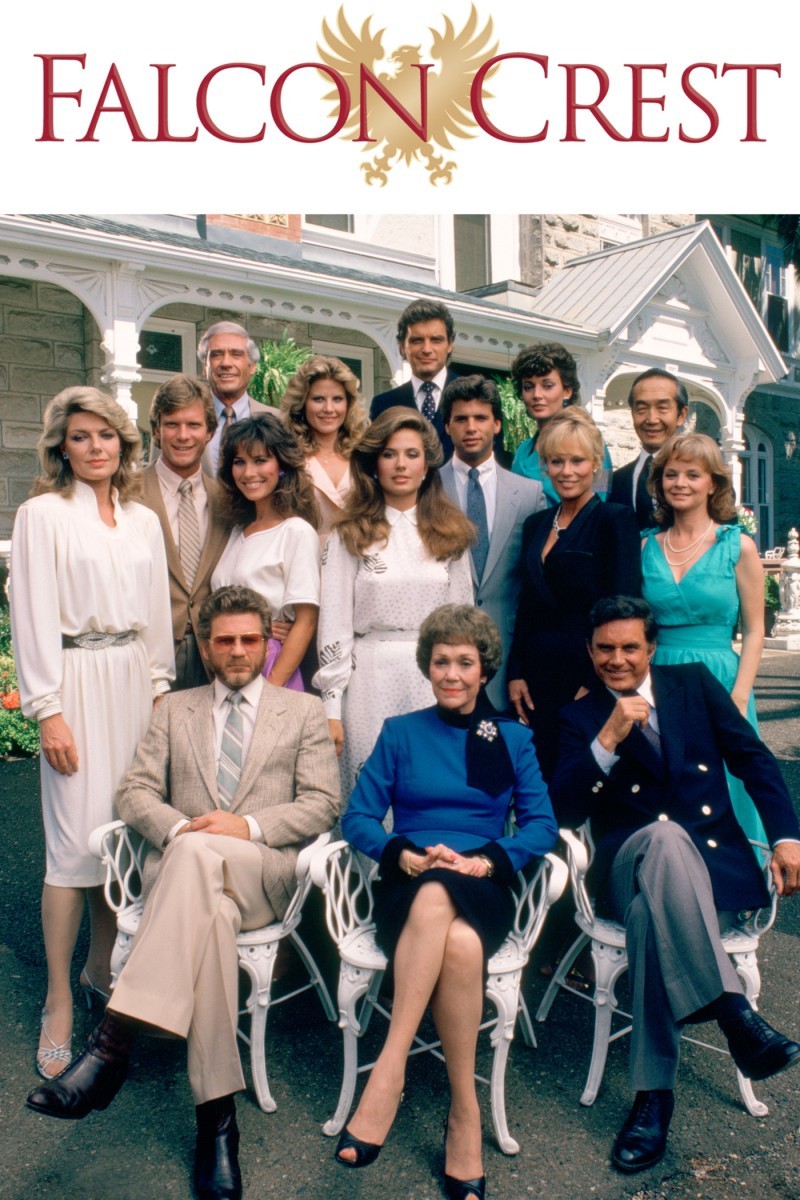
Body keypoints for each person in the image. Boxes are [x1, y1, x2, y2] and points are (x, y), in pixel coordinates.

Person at [26, 585, 341, 1200]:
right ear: (205, 645)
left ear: (266, 643)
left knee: (200, 854)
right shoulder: (175, 708)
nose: (238, 651)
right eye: (225, 640)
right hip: (192, 884)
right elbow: (135, 792)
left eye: (249, 639)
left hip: (262, 875)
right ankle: (217, 1125)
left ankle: (112, 1045)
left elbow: (323, 802)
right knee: (211, 913)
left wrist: (245, 827)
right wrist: (178, 830)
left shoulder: (301, 712)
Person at [550, 596, 800, 1175]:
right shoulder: (580, 717)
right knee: (663, 837)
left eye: (629, 647)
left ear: (652, 647)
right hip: (627, 864)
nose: (617, 659)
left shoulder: (693, 685)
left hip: (711, 875)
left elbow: (754, 760)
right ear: (589, 650)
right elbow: (561, 809)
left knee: (648, 920)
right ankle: (733, 1012)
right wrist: (607, 740)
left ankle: (652, 1098)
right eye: (605, 648)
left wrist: (787, 836)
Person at [336, 604, 557, 1199]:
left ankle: (388, 1072)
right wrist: (404, 856)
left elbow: (541, 826)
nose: (452, 674)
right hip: (409, 885)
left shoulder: (513, 738)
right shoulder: (400, 732)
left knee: (452, 904)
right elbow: (357, 818)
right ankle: (464, 1114)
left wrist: (486, 861)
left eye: (465, 662)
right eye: (441, 662)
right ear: (426, 667)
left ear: (485, 669)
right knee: (456, 938)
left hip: (482, 882)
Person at [9, 387, 174, 1081]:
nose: (96, 447)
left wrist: (161, 693)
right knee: (73, 848)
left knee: (124, 836)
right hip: (75, 682)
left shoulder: (142, 520)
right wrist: (47, 708)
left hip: (134, 680)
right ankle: (57, 999)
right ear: (62, 448)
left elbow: (157, 614)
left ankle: (100, 969)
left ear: (124, 444)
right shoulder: (42, 515)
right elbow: (30, 612)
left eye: (106, 435)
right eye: (81, 437)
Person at [313, 407, 474, 801]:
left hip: (435, 680)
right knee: (373, 787)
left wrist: (465, 693)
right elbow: (334, 624)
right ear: (374, 463)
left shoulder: (452, 533)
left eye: (411, 454)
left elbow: (464, 625)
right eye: (389, 454)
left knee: (432, 787)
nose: (401, 465)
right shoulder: (349, 534)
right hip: (369, 679)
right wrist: (331, 708)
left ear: (427, 465)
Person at [641, 431, 767, 844]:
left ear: (713, 483)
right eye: (671, 474)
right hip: (660, 674)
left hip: (720, 677)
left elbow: (755, 630)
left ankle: (738, 870)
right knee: (669, 779)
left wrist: (739, 695)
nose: (680, 483)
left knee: (726, 781)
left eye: (692, 475)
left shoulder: (738, 546)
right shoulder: (644, 547)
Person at [507, 409, 641, 780]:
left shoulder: (615, 520)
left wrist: (594, 681)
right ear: (545, 466)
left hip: (587, 675)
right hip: (536, 677)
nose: (567, 471)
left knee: (582, 777)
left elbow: (624, 607)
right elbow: (527, 603)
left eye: (577, 461)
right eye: (557, 461)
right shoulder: (536, 524)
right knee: (537, 777)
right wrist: (515, 672)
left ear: (595, 464)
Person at [439, 374, 546, 710]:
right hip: (441, 651)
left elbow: (534, 586)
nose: (471, 427)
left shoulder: (529, 494)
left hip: (507, 653)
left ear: (497, 424)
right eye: (461, 419)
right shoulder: (426, 488)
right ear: (447, 427)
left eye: (481, 418)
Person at [212, 413, 321, 690]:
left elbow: (306, 621)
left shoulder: (296, 531)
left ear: (282, 465)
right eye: (239, 462)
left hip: (271, 666)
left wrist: (272, 689)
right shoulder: (237, 531)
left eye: (260, 460)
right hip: (228, 667)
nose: (249, 473)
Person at [139, 374, 230, 690]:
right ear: (156, 430)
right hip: (147, 655)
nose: (183, 435)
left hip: (213, 656)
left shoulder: (228, 500)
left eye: (193, 425)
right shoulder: (125, 495)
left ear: (210, 432)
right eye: (172, 425)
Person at [509, 343, 613, 505]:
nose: (537, 395)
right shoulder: (522, 450)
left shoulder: (591, 441)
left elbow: (601, 500)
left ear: (567, 391)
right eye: (528, 387)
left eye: (547, 386)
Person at [280, 354, 368, 544]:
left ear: (349, 404)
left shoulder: (364, 454)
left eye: (337, 399)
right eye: (318, 399)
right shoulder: (285, 456)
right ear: (302, 403)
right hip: (303, 557)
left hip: (358, 556)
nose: (329, 409)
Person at [370, 299, 459, 459]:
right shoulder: (383, 405)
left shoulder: (473, 396)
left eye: (436, 340)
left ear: (450, 344)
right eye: (417, 341)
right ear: (402, 346)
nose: (426, 349)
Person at [608, 368, 689, 528]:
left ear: (681, 415)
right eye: (642, 409)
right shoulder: (615, 480)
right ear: (632, 413)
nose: (652, 419)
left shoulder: (702, 480)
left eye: (662, 408)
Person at [197, 321, 271, 476]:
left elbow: (288, 477)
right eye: (216, 355)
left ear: (252, 366)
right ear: (205, 367)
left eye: (236, 354)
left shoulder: (278, 420)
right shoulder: (179, 422)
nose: (226, 363)